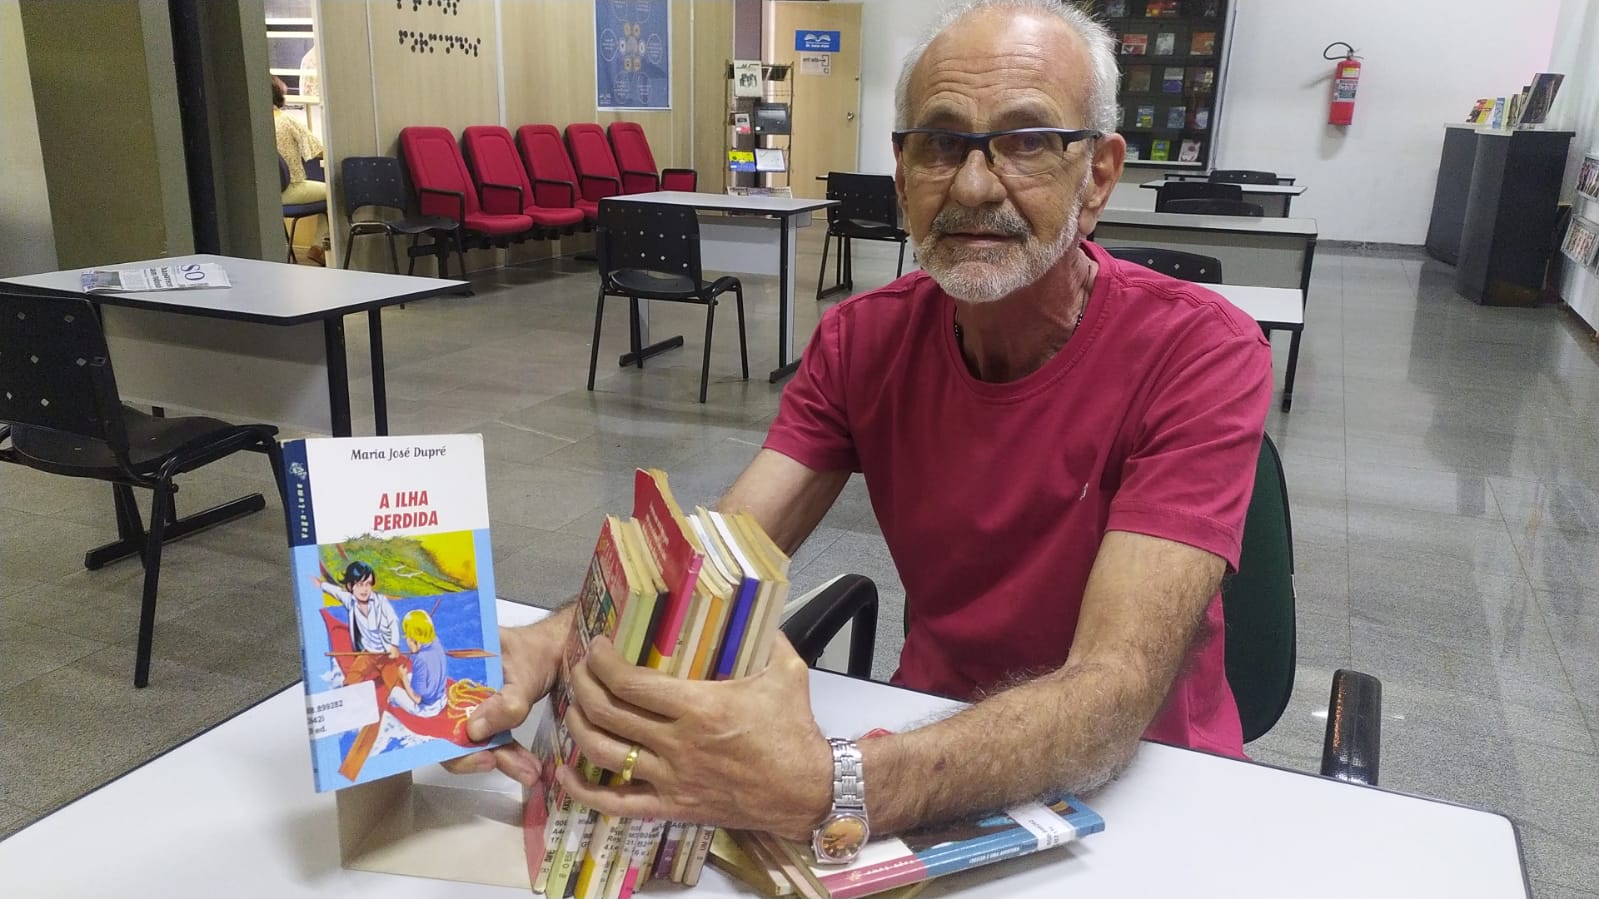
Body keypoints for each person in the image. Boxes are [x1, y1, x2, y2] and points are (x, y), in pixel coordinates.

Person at [451, 0, 1272, 850]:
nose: (973, 185)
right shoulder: (862, 339)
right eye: (940, 141)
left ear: (1098, 174)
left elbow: (1112, 691)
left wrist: (831, 784)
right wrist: (561, 634)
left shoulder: (1199, 352)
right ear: (901, 169)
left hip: (1148, 788)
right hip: (927, 735)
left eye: (1027, 140)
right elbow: (721, 549)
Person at [272, 74, 328, 265]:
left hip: (265, 196)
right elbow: (315, 149)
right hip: (290, 190)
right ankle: (319, 246)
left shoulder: (253, 123)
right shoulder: (285, 120)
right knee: (333, 192)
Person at [314, 561, 401, 657]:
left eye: (368, 584)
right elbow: (337, 592)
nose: (365, 589)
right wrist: (321, 585)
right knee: (354, 672)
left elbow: (393, 621)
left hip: (386, 653)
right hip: (367, 654)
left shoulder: (381, 601)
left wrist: (394, 645)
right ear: (350, 586)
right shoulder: (350, 601)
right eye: (360, 584)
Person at [392, 609, 449, 717]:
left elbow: (418, 699)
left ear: (414, 639)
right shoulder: (436, 643)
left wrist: (403, 678)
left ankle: (398, 713)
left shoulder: (420, 660)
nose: (406, 640)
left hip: (428, 709)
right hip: (441, 699)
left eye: (407, 637)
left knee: (394, 692)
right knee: (410, 676)